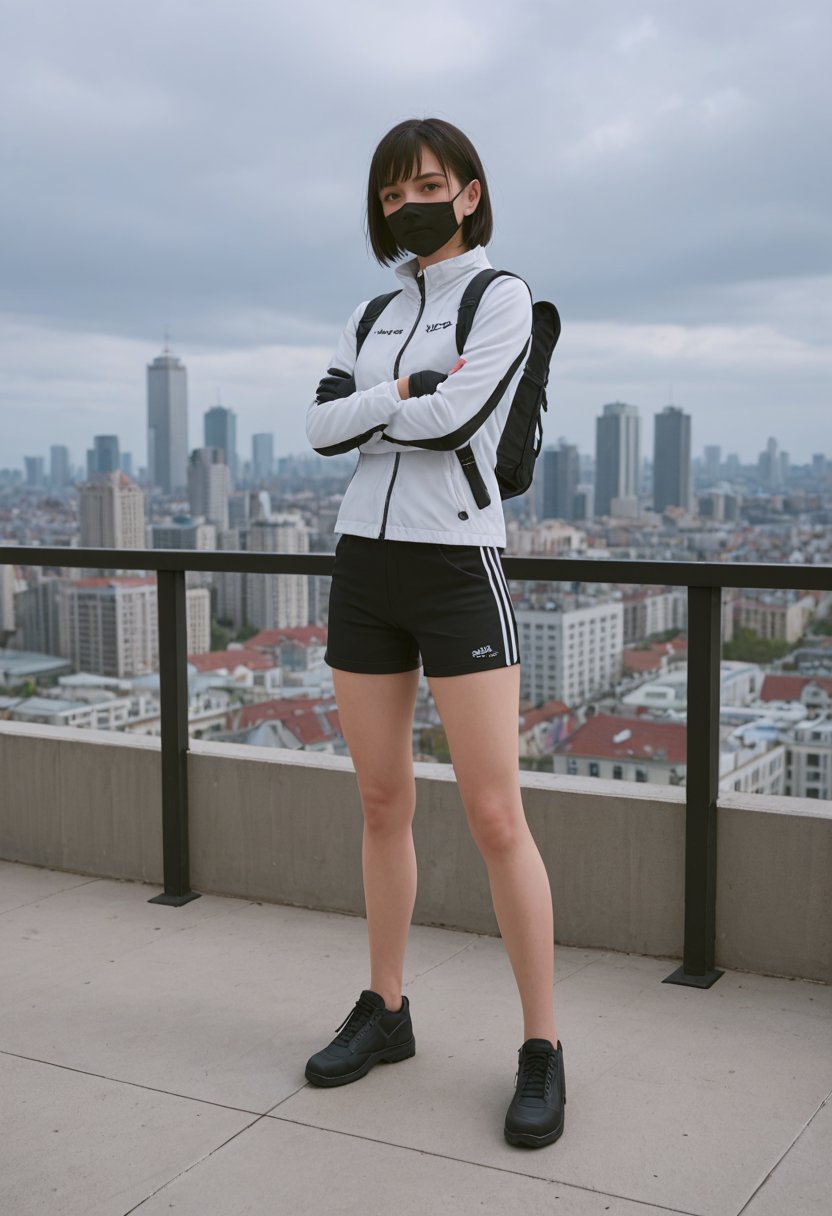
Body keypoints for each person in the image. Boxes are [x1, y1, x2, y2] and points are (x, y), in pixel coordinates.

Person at [303, 117, 565, 1148]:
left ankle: (540, 1045)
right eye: (387, 191)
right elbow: (318, 426)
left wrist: (385, 402)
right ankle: (387, 1008)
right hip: (364, 564)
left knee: (496, 815)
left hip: (458, 564)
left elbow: (458, 420)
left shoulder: (503, 299)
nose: (402, 202)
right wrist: (400, 388)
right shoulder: (375, 307)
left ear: (465, 191)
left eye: (421, 183)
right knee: (379, 800)